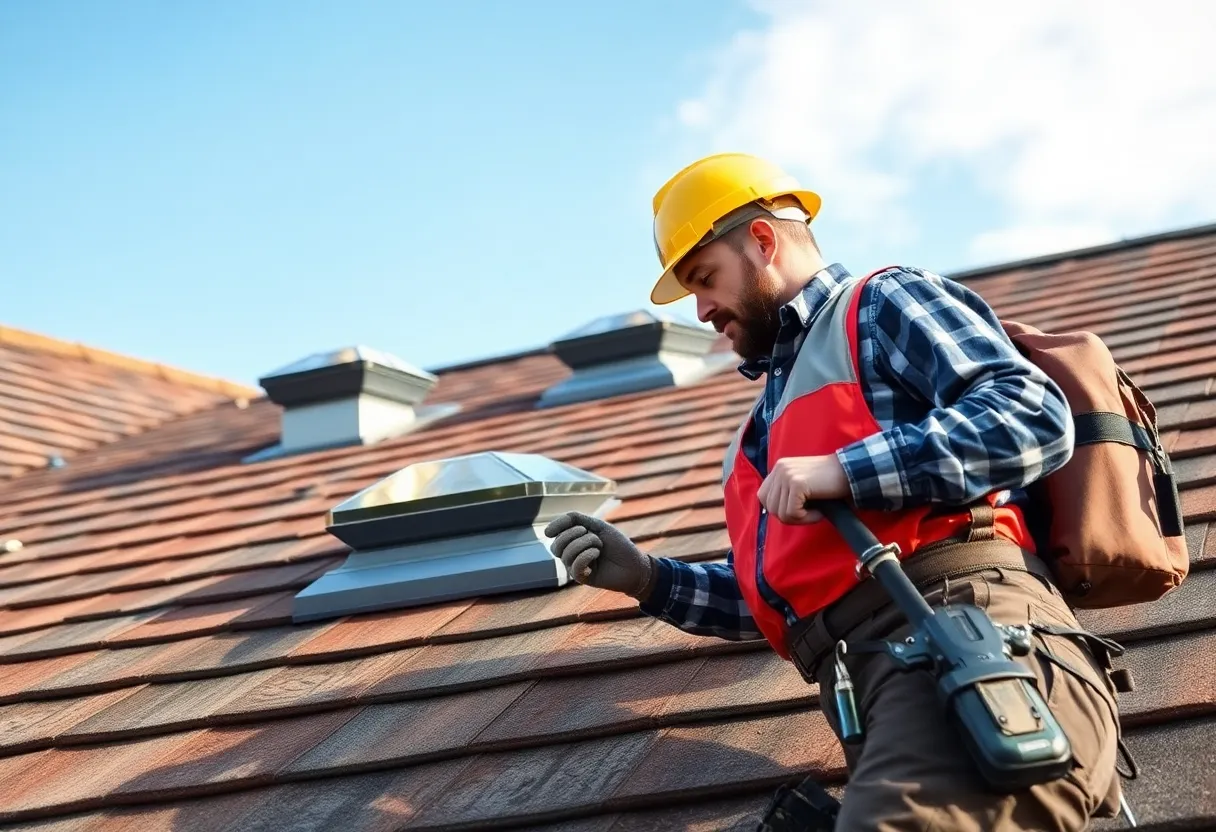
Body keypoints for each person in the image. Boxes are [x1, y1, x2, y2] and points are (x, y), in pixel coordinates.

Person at [545, 153, 1127, 830]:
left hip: (973, 648)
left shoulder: (882, 305)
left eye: (706, 279)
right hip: (898, 686)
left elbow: (1030, 416)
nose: (701, 310)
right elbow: (798, 592)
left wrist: (845, 469)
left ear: (762, 241)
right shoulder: (767, 420)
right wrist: (649, 578)